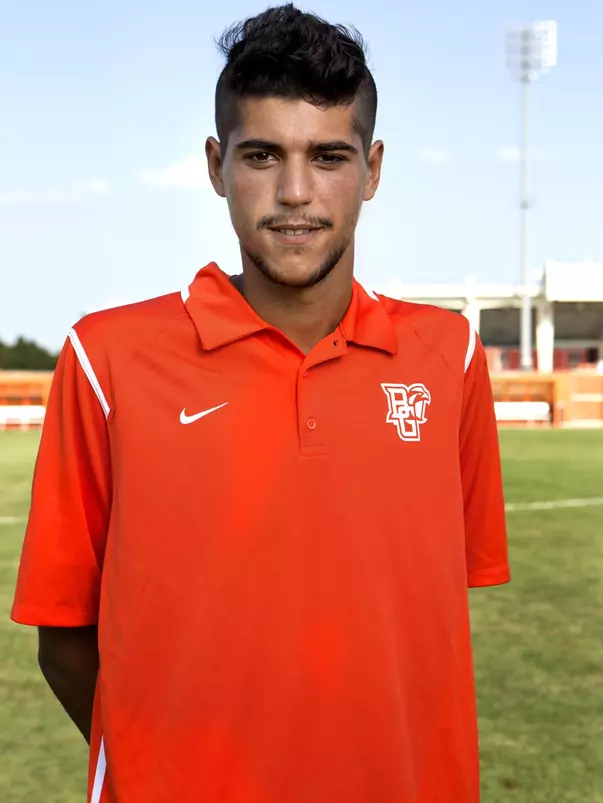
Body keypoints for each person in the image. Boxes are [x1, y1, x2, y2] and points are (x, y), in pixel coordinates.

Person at [11, 4, 510, 802]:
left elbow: (431, 613)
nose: (294, 192)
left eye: (328, 155)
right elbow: (64, 639)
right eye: (261, 154)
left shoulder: (445, 356)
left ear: (372, 170)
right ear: (216, 165)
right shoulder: (106, 357)